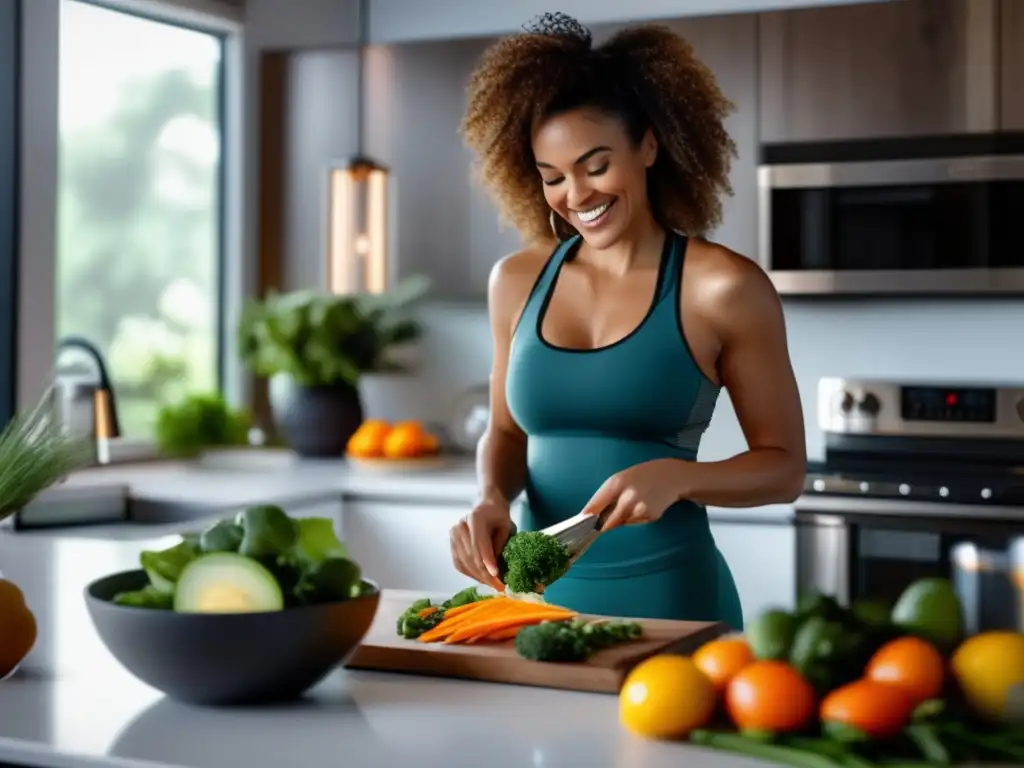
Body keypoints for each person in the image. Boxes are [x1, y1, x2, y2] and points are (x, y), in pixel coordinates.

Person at [448, 12, 806, 629]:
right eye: (552, 177)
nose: (577, 195)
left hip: (673, 606)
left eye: (595, 165)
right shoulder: (515, 282)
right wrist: (489, 497)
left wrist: (681, 478)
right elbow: (507, 436)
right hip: (535, 611)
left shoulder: (722, 288)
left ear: (648, 144)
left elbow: (784, 467)